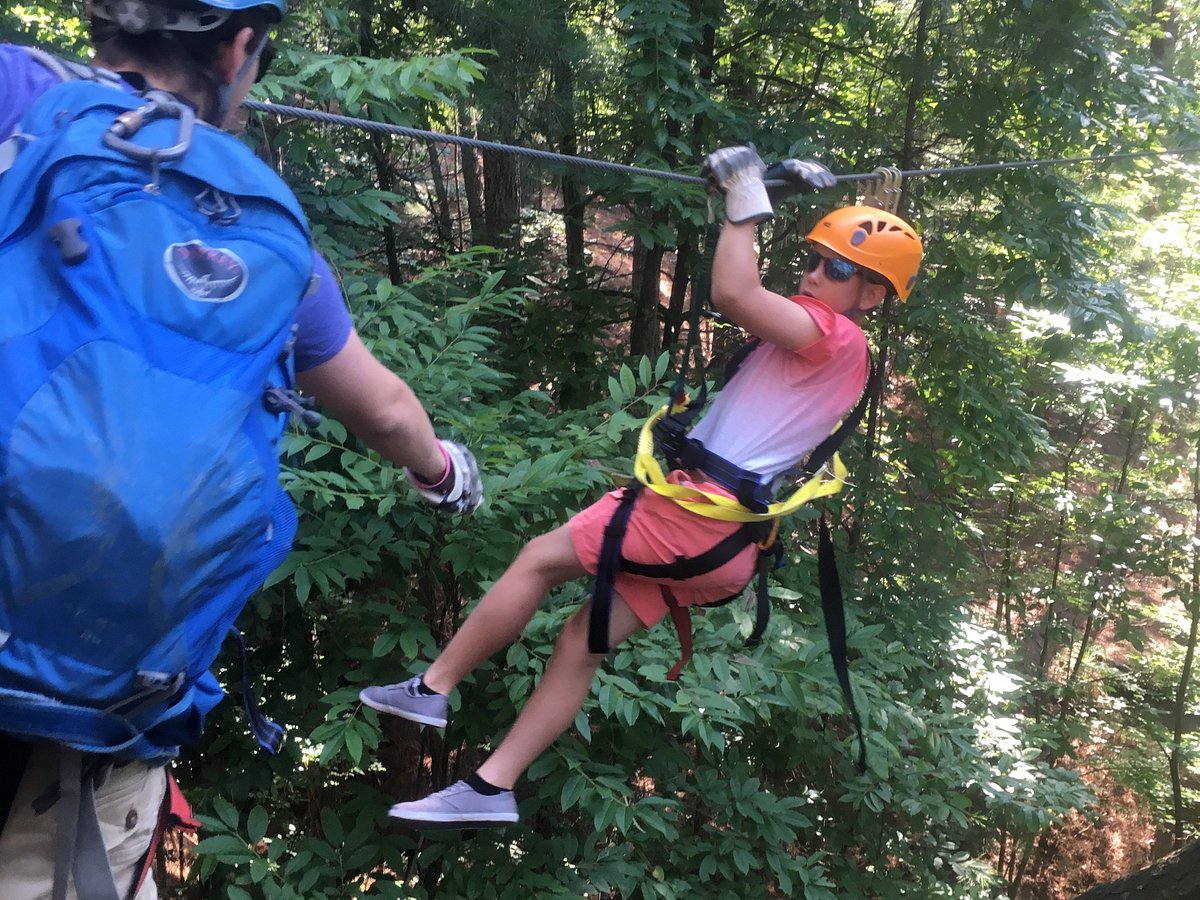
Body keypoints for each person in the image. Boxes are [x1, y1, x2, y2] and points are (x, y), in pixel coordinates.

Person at [0, 2, 481, 897]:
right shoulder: (260, 233)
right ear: (238, 48)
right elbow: (382, 410)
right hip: (103, 720)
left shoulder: (17, 94)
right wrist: (443, 470)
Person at [360, 144, 924, 828]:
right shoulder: (815, 343)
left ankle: (432, 687)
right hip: (719, 543)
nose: (811, 274)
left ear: (871, 295)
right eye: (809, 258)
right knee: (579, 643)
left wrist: (747, 202)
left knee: (538, 558)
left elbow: (734, 293)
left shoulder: (838, 339)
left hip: (692, 518)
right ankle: (490, 788)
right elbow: (747, 288)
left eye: (835, 269)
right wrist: (749, 193)